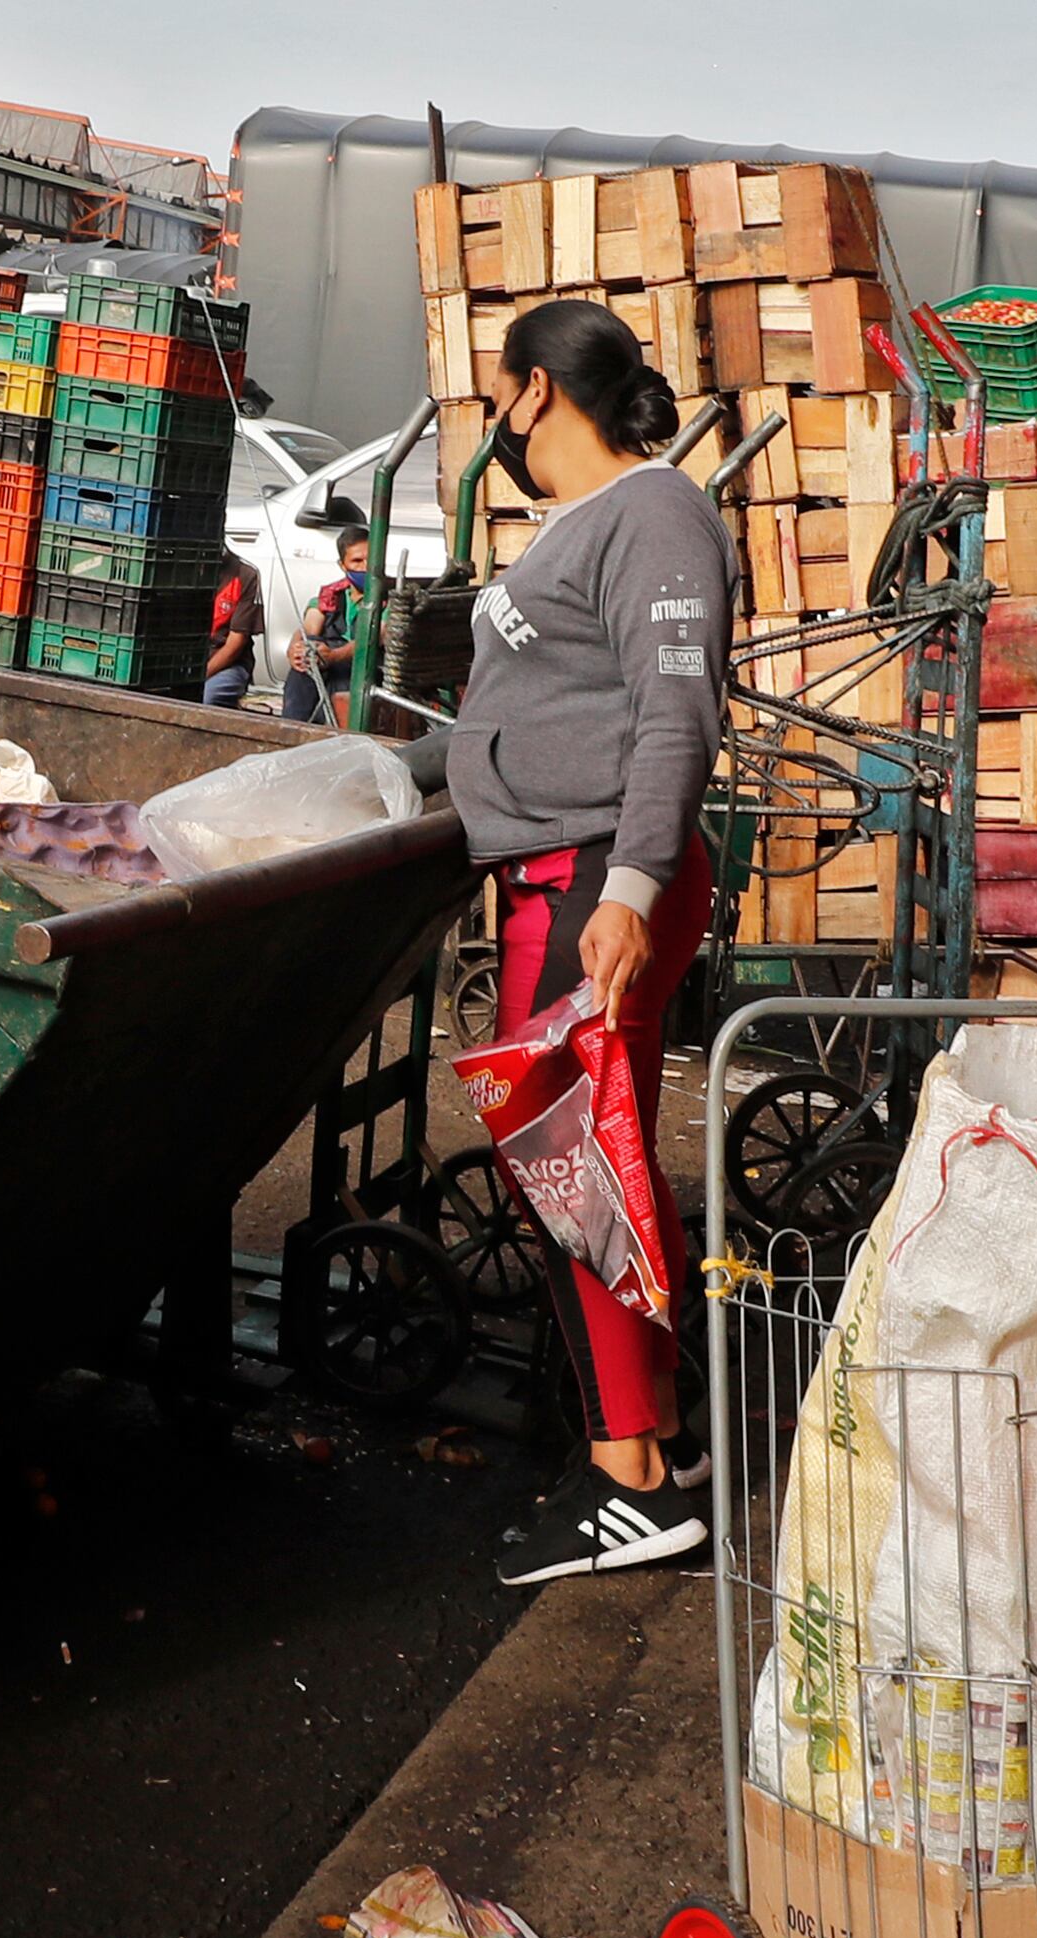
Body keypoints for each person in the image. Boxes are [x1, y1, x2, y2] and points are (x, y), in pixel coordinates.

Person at [412, 299, 731, 1587]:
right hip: (571, 867)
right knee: (592, 1157)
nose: (498, 426)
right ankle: (655, 1444)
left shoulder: (655, 513)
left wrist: (634, 885)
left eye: (499, 400)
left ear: (537, 393)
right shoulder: (598, 521)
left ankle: (633, 1478)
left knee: (568, 1169)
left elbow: (677, 710)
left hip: (602, 875)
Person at [277, 528, 369, 725]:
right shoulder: (330, 595)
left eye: (370, 560)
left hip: (365, 671)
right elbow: (307, 629)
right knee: (308, 652)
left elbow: (377, 635)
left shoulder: (389, 599)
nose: (365, 567)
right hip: (326, 667)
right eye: (357, 561)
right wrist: (294, 650)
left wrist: (334, 656)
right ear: (342, 565)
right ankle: (291, 728)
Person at [201, 551, 265, 708]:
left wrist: (202, 675)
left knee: (205, 698)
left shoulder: (245, 574)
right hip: (185, 662)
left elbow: (235, 644)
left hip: (227, 665)